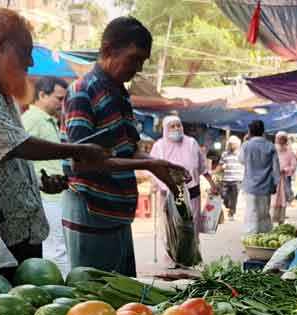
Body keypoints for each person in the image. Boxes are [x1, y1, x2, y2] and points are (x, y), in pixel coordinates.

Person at [0, 9, 106, 263]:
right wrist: (79, 150)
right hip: (2, 234)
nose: (30, 63)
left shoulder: (1, 91)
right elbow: (14, 145)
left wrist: (38, 183)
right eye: (25, 52)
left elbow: (10, 156)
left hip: (25, 229)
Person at [61, 16, 184, 276]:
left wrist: (156, 165)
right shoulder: (83, 90)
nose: (137, 68)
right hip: (91, 210)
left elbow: (129, 148)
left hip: (118, 213)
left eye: (142, 61)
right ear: (108, 50)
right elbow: (82, 160)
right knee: (92, 298)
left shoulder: (120, 94)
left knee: (123, 302)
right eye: (134, 58)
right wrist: (148, 163)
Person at [149, 115, 216, 269]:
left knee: (191, 226)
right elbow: (153, 170)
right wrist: (157, 184)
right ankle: (172, 258)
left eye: (178, 125)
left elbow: (202, 167)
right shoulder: (159, 146)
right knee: (171, 227)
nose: (176, 129)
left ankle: (192, 258)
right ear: (165, 129)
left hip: (192, 191)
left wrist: (212, 183)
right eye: (172, 126)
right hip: (170, 193)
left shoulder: (191, 143)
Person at [21, 75, 71, 274]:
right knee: (55, 249)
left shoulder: (49, 121)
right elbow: (19, 154)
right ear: (42, 94)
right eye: (59, 99)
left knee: (59, 247)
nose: (62, 104)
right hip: (45, 196)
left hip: (55, 194)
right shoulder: (31, 119)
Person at [239, 120, 279, 235]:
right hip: (266, 185)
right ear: (263, 131)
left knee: (251, 212)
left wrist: (245, 141)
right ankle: (264, 235)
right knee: (264, 212)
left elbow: (241, 160)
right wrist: (276, 183)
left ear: (250, 131)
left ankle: (251, 237)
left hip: (250, 186)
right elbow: (276, 168)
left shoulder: (246, 145)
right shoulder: (270, 146)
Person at [271, 131, 297, 225]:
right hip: (273, 179)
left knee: (282, 200)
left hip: (284, 179)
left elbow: (293, 165)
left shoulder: (289, 152)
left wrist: (285, 169)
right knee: (272, 199)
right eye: (279, 138)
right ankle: (271, 221)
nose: (281, 140)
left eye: (283, 138)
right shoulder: (272, 150)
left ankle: (281, 221)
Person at [219, 135, 243, 219]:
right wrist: (219, 169)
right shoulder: (224, 154)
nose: (231, 146)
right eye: (230, 144)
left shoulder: (241, 154)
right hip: (226, 179)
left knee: (234, 198)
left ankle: (231, 213)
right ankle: (227, 208)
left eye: (233, 144)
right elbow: (220, 165)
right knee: (224, 195)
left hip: (237, 179)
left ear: (237, 145)